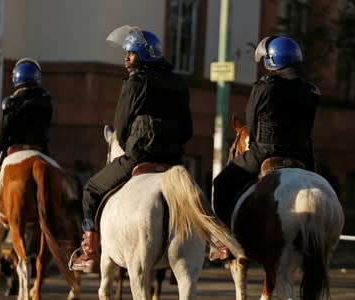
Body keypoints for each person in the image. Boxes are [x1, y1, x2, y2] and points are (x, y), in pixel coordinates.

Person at [69, 26, 193, 273]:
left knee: (91, 190)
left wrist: (130, 148)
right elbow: (188, 130)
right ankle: (215, 239)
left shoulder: (136, 82)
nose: (126, 57)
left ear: (144, 56)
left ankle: (90, 253)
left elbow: (121, 126)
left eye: (131, 53)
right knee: (196, 196)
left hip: (140, 154)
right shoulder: (179, 83)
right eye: (126, 52)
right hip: (173, 161)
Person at [210, 36, 320, 260]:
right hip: (302, 155)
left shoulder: (264, 87)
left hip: (266, 151)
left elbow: (251, 124)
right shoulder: (311, 91)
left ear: (273, 60)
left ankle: (223, 242)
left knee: (221, 184)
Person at [0, 57, 53, 226]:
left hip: (14, 150)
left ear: (17, 77)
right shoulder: (46, 101)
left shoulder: (11, 102)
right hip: (40, 150)